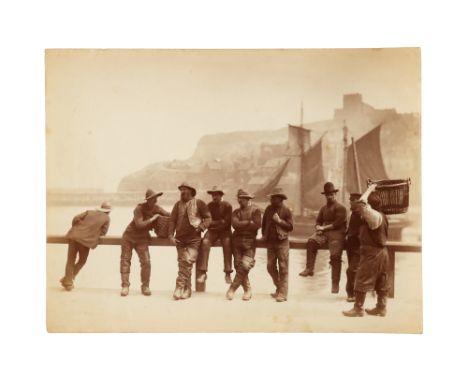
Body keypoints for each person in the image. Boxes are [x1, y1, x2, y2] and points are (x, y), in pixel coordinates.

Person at [343, 184, 389, 317]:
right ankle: (381, 307)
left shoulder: (373, 215)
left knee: (361, 278)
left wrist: (369, 189)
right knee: (382, 280)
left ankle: (358, 308)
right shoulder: (382, 215)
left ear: (370, 205)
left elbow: (361, 203)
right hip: (383, 253)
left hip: (372, 253)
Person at [299, 182, 347, 294]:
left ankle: (335, 284)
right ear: (325, 195)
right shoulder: (323, 208)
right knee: (311, 241)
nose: (329, 196)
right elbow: (318, 221)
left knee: (335, 256)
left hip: (337, 233)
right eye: (327, 194)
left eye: (331, 194)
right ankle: (309, 269)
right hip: (324, 232)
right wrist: (317, 227)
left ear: (335, 194)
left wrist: (323, 228)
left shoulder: (341, 208)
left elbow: (337, 224)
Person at [120, 189, 170, 297]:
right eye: (153, 198)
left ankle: (145, 286)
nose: (155, 200)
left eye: (156, 198)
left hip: (142, 238)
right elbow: (139, 225)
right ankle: (125, 286)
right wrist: (154, 218)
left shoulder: (157, 208)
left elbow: (169, 215)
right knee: (125, 260)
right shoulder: (139, 208)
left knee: (146, 262)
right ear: (148, 200)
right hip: (129, 236)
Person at [168, 182, 212, 300]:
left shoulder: (199, 203)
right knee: (183, 263)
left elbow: (208, 218)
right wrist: (171, 236)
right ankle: (187, 289)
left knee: (187, 261)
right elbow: (172, 221)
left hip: (194, 239)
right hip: (180, 239)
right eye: (181, 190)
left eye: (185, 189)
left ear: (191, 191)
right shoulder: (177, 205)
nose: (182, 192)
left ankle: (179, 287)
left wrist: (201, 227)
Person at [60, 202, 112, 291]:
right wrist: (93, 232)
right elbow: (104, 232)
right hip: (86, 240)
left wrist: (77, 228)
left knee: (70, 259)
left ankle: (67, 280)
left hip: (73, 236)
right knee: (82, 260)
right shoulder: (107, 218)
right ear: (108, 211)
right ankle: (68, 280)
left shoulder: (89, 212)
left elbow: (75, 218)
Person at [226, 189, 262, 301]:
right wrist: (248, 222)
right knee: (238, 265)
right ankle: (248, 290)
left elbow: (257, 225)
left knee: (245, 265)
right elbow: (235, 225)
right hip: (236, 242)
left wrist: (245, 224)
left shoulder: (256, 211)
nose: (240, 201)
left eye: (242, 199)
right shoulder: (235, 212)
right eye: (239, 199)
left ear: (247, 199)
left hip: (250, 242)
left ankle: (232, 289)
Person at [261, 188, 294, 302]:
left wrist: (279, 221)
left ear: (280, 199)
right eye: (272, 197)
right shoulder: (268, 209)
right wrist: (264, 236)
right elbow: (264, 223)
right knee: (270, 266)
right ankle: (280, 288)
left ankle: (282, 294)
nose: (272, 199)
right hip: (271, 242)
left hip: (282, 242)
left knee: (283, 268)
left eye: (274, 198)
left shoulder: (286, 210)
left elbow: (290, 227)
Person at [197, 186, 233, 284]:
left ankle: (228, 273)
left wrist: (214, 223)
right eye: (213, 195)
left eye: (216, 195)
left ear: (221, 195)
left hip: (225, 231)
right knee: (205, 242)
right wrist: (217, 222)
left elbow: (227, 222)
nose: (214, 197)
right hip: (212, 231)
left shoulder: (228, 206)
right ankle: (203, 272)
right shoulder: (209, 206)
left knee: (227, 243)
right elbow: (207, 221)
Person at [345, 193, 362, 302]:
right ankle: (353, 293)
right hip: (350, 246)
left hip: (359, 247)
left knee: (351, 270)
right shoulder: (353, 214)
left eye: (352, 200)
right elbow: (350, 228)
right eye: (350, 200)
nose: (350, 202)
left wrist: (351, 234)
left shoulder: (361, 214)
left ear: (357, 202)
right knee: (353, 270)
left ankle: (352, 293)